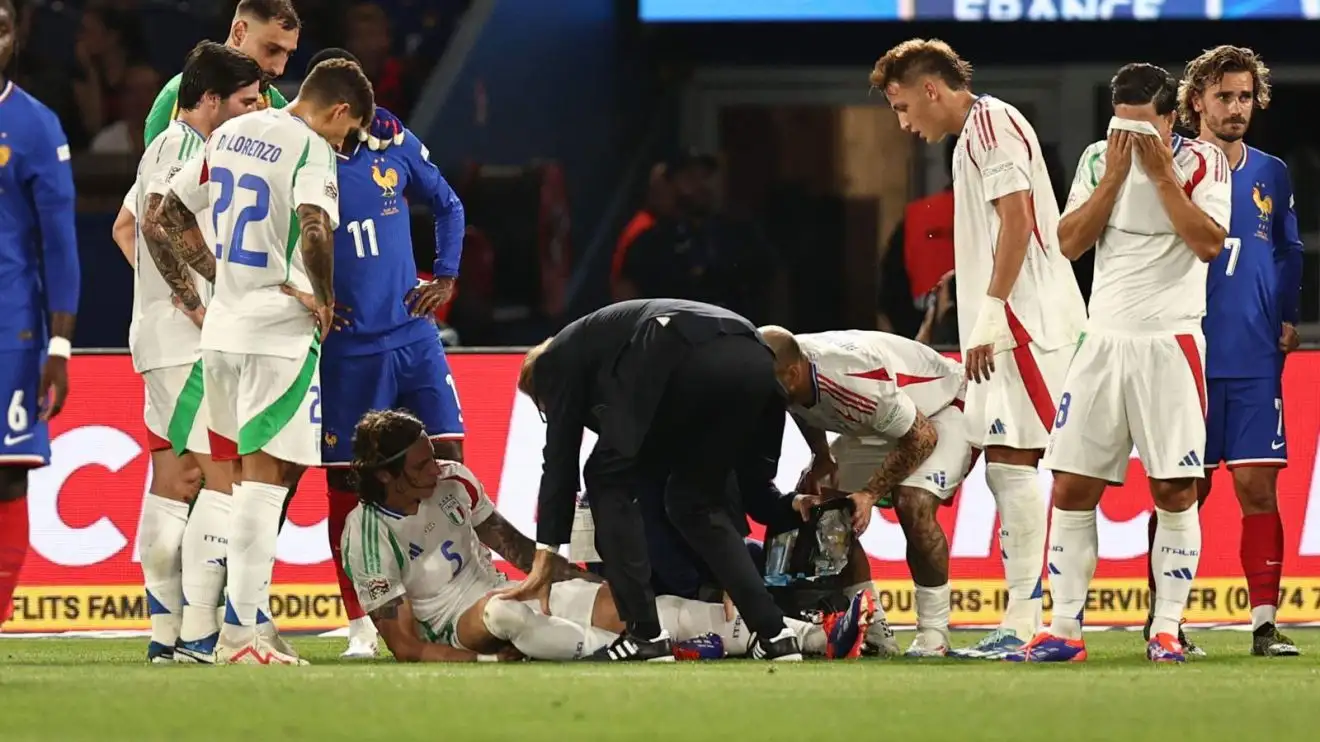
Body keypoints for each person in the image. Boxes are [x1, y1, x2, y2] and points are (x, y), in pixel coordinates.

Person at [145, 58, 375, 664]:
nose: (342, 145)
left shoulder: (230, 133)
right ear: (340, 112)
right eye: (346, 134)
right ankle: (242, 635)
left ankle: (219, 632)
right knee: (264, 482)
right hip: (279, 335)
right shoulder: (310, 148)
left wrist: (222, 280)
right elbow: (316, 225)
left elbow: (167, 214)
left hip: (221, 332)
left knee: (235, 480)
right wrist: (323, 299)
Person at [341, 410, 872, 662]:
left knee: (626, 603)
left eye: (432, 454)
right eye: (420, 463)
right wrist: (485, 661)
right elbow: (406, 645)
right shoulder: (365, 534)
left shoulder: (454, 481)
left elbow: (515, 548)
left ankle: (813, 636)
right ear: (386, 475)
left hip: (505, 588)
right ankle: (610, 652)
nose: (436, 467)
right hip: (461, 627)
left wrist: (562, 577)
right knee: (506, 615)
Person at [871, 38, 1087, 658]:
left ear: (932, 89)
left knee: (1027, 467)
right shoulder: (977, 133)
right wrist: (967, 279)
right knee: (1009, 466)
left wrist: (991, 310)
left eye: (903, 105)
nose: (905, 121)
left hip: (1024, 324)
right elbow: (1003, 227)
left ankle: (1033, 621)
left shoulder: (991, 125)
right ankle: (1026, 618)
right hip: (1009, 319)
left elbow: (1018, 221)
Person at [1015, 64, 1231, 664]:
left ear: (1170, 117)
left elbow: (1209, 243)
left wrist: (1162, 177)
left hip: (1170, 344)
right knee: (1072, 486)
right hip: (1102, 341)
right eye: (1120, 126)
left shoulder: (1202, 164)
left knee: (1174, 488)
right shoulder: (1094, 160)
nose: (1129, 139)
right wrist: (1113, 176)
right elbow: (1069, 242)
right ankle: (1063, 629)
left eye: (1142, 128)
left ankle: (1165, 627)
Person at [512, 299, 809, 662]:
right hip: (756, 357)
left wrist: (547, 551)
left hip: (673, 343)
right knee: (692, 501)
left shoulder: (554, 363)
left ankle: (645, 635)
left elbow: (560, 459)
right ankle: (775, 633)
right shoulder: (620, 369)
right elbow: (723, 479)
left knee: (604, 477)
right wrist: (736, 570)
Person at [303, 48, 466, 660]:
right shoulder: (297, 147)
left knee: (450, 462)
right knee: (348, 487)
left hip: (413, 337)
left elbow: (448, 203)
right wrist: (307, 293)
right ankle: (361, 622)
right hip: (346, 349)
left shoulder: (389, 133)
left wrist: (446, 276)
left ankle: (451, 598)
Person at [1143, 46, 1300, 657]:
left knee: (1259, 488)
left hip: (1256, 358)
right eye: (1223, 97)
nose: (1236, 109)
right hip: (1190, 355)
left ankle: (1264, 623)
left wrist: (1287, 317)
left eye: (1244, 97)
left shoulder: (1272, 172)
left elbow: (1288, 251)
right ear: (1195, 102)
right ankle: (1165, 621)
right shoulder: (1173, 165)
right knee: (1184, 493)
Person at [130, 41, 263, 663]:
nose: (253, 110)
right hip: (186, 342)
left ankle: (164, 638)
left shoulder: (158, 147)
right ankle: (200, 635)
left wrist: (159, 291)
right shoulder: (190, 147)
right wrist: (199, 297)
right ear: (209, 99)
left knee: (171, 480)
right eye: (244, 100)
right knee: (224, 479)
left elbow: (124, 228)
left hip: (155, 337)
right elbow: (159, 222)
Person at [761, 326, 971, 657]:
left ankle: (934, 632)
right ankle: (875, 632)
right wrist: (821, 454)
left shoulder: (852, 379)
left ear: (793, 372)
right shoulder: (784, 369)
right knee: (825, 509)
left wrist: (870, 494)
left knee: (912, 502)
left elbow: (922, 437)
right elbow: (801, 405)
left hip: (940, 408)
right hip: (879, 421)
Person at [0, 0, 80, 629]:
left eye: (0, 27)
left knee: (6, 479)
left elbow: (60, 244)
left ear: (15, 35)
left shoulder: (34, 125)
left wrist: (59, 345)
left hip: (11, 330)